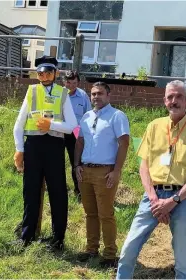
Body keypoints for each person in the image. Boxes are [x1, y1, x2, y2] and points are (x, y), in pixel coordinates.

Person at [116, 80, 186, 279]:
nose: (174, 100)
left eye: (179, 96)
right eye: (170, 97)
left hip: (183, 197)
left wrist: (173, 202)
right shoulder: (154, 126)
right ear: (164, 101)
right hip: (152, 197)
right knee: (128, 249)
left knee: (183, 259)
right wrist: (155, 200)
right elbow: (144, 166)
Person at [13, 55, 77, 250]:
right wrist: (19, 150)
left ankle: (58, 239)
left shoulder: (63, 93)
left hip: (54, 147)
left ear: (55, 73)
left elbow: (73, 126)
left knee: (58, 193)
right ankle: (27, 236)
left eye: (48, 72)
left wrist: (51, 124)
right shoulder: (31, 91)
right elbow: (19, 124)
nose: (44, 76)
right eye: (40, 73)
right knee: (30, 191)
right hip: (32, 146)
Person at [74, 82, 130, 267]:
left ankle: (110, 255)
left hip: (105, 172)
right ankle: (91, 250)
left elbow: (124, 143)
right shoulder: (86, 116)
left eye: (100, 93)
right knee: (90, 213)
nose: (96, 97)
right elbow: (80, 142)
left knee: (106, 214)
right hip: (85, 170)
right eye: (93, 94)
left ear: (108, 95)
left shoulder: (117, 116)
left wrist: (116, 170)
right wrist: (76, 165)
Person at [63, 70, 91, 198]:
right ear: (64, 82)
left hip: (76, 133)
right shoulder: (60, 94)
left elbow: (89, 115)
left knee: (76, 161)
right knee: (56, 161)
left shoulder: (83, 95)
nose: (71, 85)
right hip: (59, 130)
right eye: (69, 82)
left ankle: (78, 191)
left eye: (74, 83)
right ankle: (59, 188)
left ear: (78, 82)